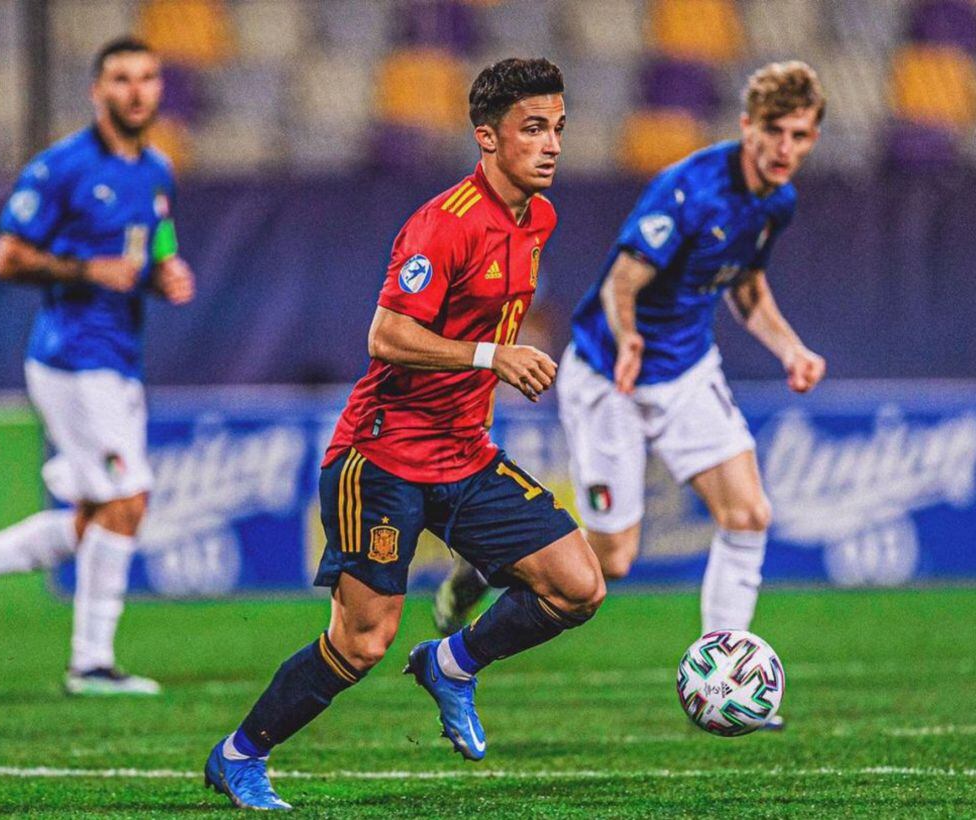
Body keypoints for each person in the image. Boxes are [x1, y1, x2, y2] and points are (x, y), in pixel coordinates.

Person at [203, 58, 605, 811]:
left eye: (558, 128)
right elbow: (386, 335)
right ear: (487, 137)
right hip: (382, 456)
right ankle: (239, 754)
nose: (551, 144)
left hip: (467, 451)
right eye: (533, 129)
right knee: (360, 642)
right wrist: (493, 356)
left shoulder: (538, 219)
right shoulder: (442, 224)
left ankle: (453, 663)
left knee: (577, 587)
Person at [434, 62, 826, 732]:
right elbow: (622, 280)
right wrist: (631, 340)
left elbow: (746, 285)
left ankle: (722, 669)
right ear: (746, 127)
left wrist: (788, 347)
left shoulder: (776, 201)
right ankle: (488, 566)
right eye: (775, 133)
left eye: (801, 135)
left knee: (749, 513)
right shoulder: (689, 190)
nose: (786, 149)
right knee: (612, 559)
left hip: (686, 372)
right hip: (609, 373)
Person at [0, 37, 195, 696]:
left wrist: (164, 273)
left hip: (120, 357)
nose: (136, 91)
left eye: (148, 78)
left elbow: (158, 238)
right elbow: (7, 257)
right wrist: (82, 268)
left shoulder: (156, 169)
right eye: (121, 78)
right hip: (70, 357)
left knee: (103, 516)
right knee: (127, 503)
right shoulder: (61, 167)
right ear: (97, 91)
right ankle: (90, 662)